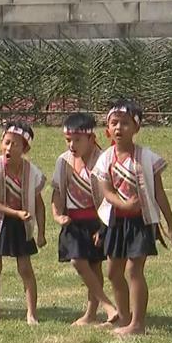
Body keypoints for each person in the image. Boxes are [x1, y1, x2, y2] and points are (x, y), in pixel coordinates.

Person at [92, 100, 172, 337]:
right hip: (116, 223)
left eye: (125, 123)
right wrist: (122, 204)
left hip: (141, 223)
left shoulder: (147, 158)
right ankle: (124, 317)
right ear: (107, 129)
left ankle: (138, 324)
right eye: (114, 123)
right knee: (113, 272)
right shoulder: (105, 158)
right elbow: (107, 192)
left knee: (134, 269)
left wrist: (171, 226)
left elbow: (159, 193)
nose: (119, 128)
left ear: (136, 128)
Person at [52, 113, 118, 326]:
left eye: (77, 140)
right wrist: (57, 213)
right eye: (68, 140)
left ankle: (92, 314)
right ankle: (108, 306)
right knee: (78, 261)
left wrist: (103, 228)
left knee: (95, 266)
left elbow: (109, 197)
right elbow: (57, 191)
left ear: (91, 138)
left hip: (97, 223)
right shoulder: (63, 161)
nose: (72, 145)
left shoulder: (103, 159)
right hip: (73, 223)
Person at [0, 122, 46, 324]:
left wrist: (41, 232)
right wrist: (15, 212)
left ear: (25, 149)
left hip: (21, 225)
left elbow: (39, 205)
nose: (9, 148)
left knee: (25, 268)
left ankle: (31, 313)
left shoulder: (31, 172)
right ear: (1, 144)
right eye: (6, 143)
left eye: (15, 144)